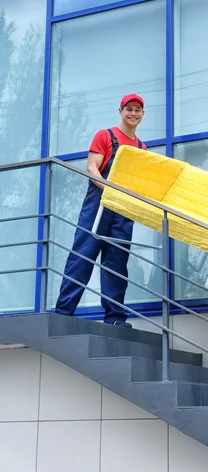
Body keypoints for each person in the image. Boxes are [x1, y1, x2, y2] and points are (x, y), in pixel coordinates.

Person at [55, 93, 147, 327]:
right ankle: (63, 313)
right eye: (129, 109)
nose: (133, 113)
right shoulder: (105, 136)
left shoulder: (141, 147)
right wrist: (110, 190)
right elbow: (92, 167)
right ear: (121, 111)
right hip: (100, 203)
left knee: (117, 263)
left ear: (142, 115)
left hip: (124, 209)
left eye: (137, 110)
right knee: (82, 257)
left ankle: (115, 319)